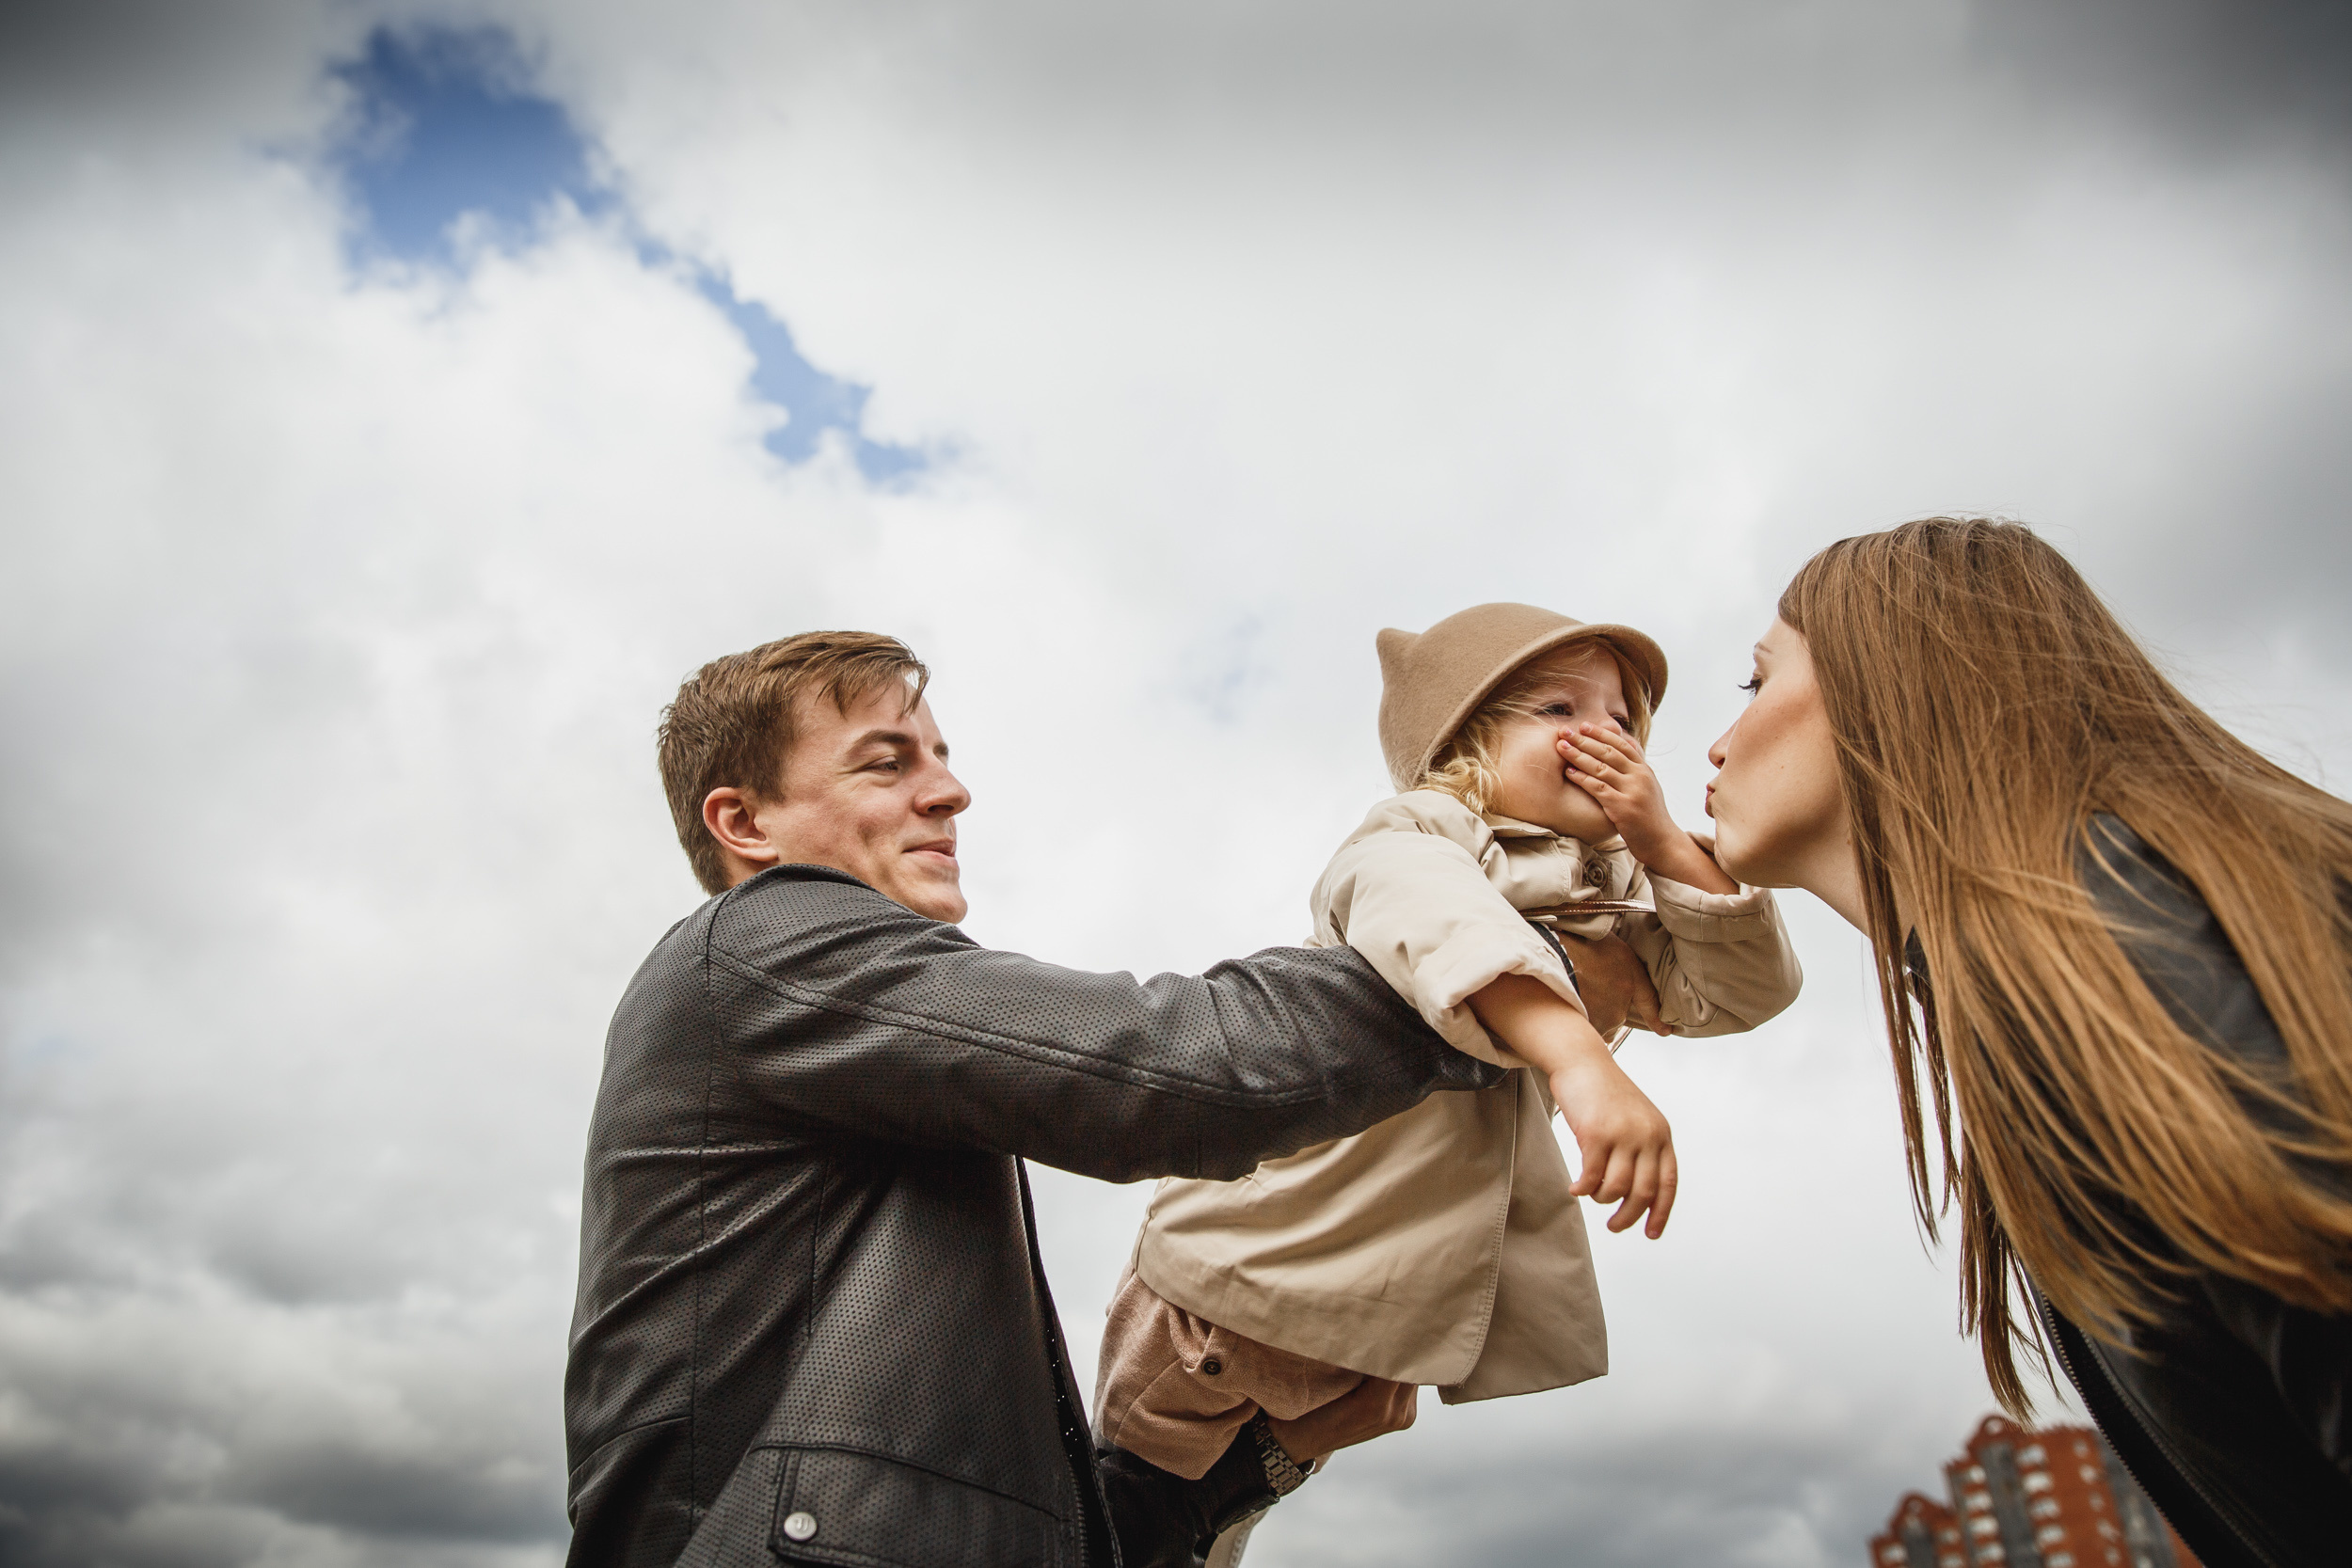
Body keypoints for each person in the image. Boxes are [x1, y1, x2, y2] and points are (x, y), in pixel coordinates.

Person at [562, 629, 1663, 1568]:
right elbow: (1176, 1065)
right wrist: (1507, 974)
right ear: (744, 823)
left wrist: (1242, 1463)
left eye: (939, 755)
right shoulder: (767, 943)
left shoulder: (850, 1056)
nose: (949, 790)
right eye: (885, 762)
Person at [1697, 517, 2352, 1568]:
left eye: (1756, 680)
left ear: (1890, 679)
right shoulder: (2062, 961)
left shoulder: (2116, 938)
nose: (1717, 744)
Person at [1095, 604, 1803, 1552]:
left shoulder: (1617, 888)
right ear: (1466, 741)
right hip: (1241, 1274)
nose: (1606, 735)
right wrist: (1580, 1055)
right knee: (1121, 1514)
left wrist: (1670, 847)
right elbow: (1425, 905)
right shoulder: (1428, 828)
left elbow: (1743, 990)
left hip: (1374, 1308)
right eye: (1560, 708)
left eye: (1624, 718)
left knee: (1215, 1534)